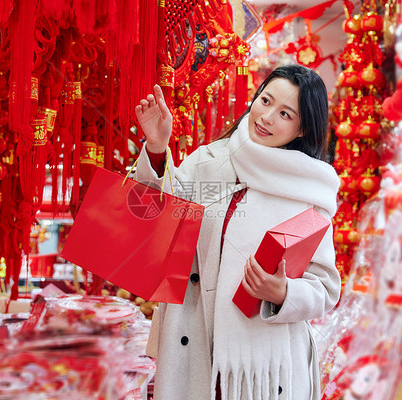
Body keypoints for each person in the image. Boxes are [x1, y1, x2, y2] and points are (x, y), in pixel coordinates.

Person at [134, 64, 341, 400]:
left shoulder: (309, 190)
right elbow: (153, 217)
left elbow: (325, 289)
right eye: (265, 100)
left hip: (263, 369)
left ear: (303, 129)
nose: (267, 117)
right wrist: (157, 150)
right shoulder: (208, 162)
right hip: (193, 343)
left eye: (285, 113)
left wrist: (283, 293)